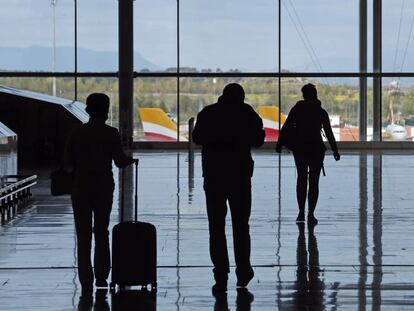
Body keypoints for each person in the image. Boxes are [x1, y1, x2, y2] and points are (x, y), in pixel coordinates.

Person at [192, 83, 265, 294]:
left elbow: (197, 138)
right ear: (241, 97)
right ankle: (243, 271)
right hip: (240, 176)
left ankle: (221, 273)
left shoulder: (208, 113)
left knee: (216, 227)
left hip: (214, 175)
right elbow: (258, 140)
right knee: (241, 225)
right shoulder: (246, 112)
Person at [64, 93, 135, 297]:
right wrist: (131, 160)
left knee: (83, 234)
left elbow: (67, 161)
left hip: (81, 185)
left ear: (88, 109)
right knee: (101, 231)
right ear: (105, 111)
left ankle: (86, 279)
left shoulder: (78, 132)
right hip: (103, 185)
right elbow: (120, 161)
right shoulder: (110, 133)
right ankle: (102, 276)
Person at [276, 83, 340, 224]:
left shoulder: (297, 110)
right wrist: (335, 149)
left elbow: (286, 127)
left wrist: (279, 144)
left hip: (300, 149)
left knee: (301, 179)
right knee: (314, 182)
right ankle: (311, 214)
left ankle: (300, 213)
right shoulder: (321, 112)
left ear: (304, 95)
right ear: (315, 94)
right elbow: (328, 133)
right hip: (316, 149)